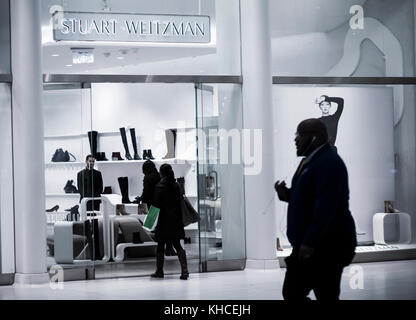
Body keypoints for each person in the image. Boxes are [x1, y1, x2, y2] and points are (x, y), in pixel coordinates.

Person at [275, 118, 357, 300]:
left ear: (314, 138)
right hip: (311, 244)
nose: (295, 140)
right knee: (294, 293)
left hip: (326, 246)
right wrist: (287, 195)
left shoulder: (329, 162)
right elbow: (309, 199)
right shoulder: (309, 161)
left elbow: (326, 207)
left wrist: (309, 242)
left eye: (299, 135)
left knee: (314, 293)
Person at [151, 163, 189, 280]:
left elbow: (156, 205)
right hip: (176, 219)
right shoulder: (177, 185)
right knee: (177, 245)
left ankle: (160, 271)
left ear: (161, 173)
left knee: (160, 245)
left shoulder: (160, 186)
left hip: (164, 220)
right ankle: (184, 271)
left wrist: (149, 222)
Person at [134, 160, 177, 256]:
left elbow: (146, 192)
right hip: (164, 205)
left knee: (149, 226)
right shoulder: (159, 176)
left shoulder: (147, 177)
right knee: (164, 227)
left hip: (153, 205)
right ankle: (169, 248)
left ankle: (150, 245)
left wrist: (141, 201)